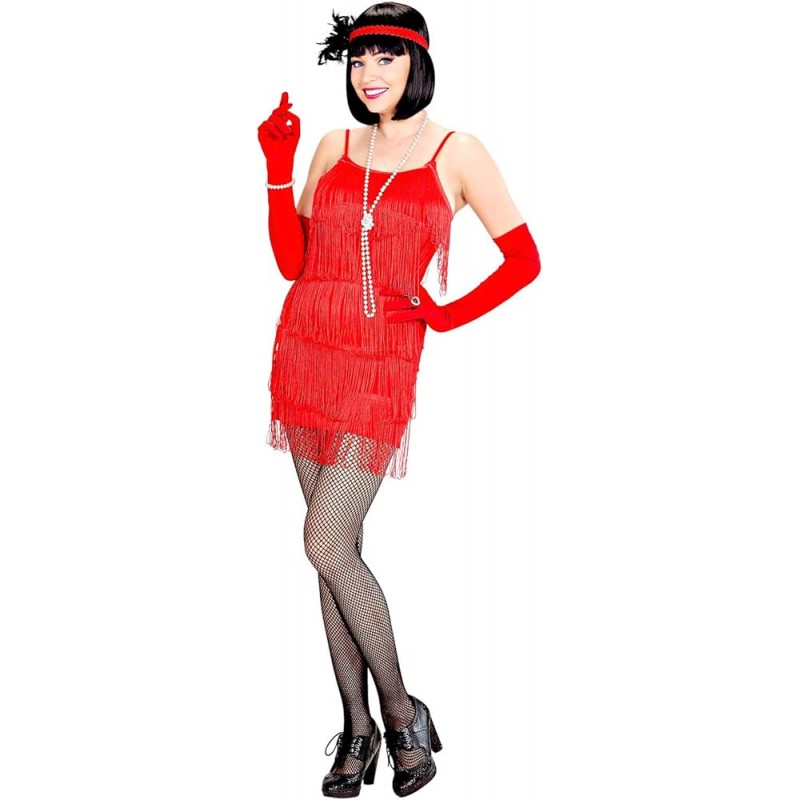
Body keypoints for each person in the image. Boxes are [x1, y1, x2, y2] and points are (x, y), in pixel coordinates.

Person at [257, 4, 540, 796]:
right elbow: (291, 261)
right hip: (305, 354)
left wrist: (444, 315)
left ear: (418, 63)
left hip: (378, 369)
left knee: (324, 543)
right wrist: (277, 170)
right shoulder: (333, 145)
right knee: (335, 551)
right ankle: (358, 729)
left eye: (386, 57)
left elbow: (523, 258)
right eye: (357, 60)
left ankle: (402, 710)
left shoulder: (458, 151)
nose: (369, 73)